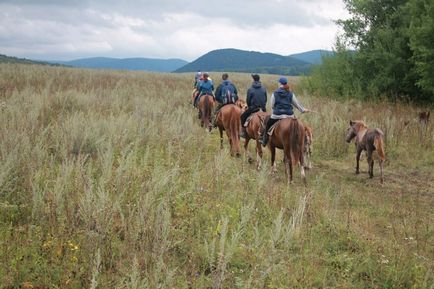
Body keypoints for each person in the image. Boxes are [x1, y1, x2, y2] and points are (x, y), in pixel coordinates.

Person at [261, 76, 310, 146]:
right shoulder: (290, 93)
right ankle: (303, 141)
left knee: (268, 124)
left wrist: (275, 110)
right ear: (286, 83)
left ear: (279, 84)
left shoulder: (274, 93)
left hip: (277, 115)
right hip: (289, 115)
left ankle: (265, 139)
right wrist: (303, 110)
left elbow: (272, 105)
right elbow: (296, 104)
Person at [240, 74, 267, 138]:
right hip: (263, 108)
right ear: (259, 79)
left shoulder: (250, 89)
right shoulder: (263, 88)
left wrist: (249, 106)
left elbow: (248, 100)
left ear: (253, 80)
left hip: (253, 108)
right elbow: (265, 99)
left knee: (242, 116)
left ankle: (244, 132)